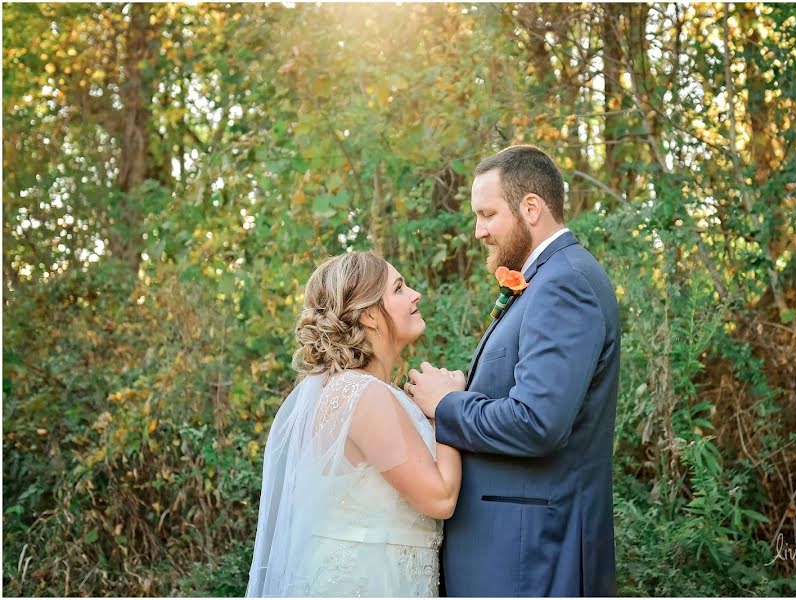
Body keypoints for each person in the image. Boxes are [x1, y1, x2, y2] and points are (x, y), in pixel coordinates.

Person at [407, 145, 621, 596]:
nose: (479, 231)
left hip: (532, 558)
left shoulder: (564, 284)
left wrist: (447, 405)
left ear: (531, 207)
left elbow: (537, 423)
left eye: (487, 215)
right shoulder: (544, 280)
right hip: (512, 552)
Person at [245, 252, 465, 597]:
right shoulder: (362, 394)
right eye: (399, 288)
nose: (415, 294)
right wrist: (448, 407)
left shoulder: (370, 392)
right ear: (370, 316)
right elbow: (440, 499)